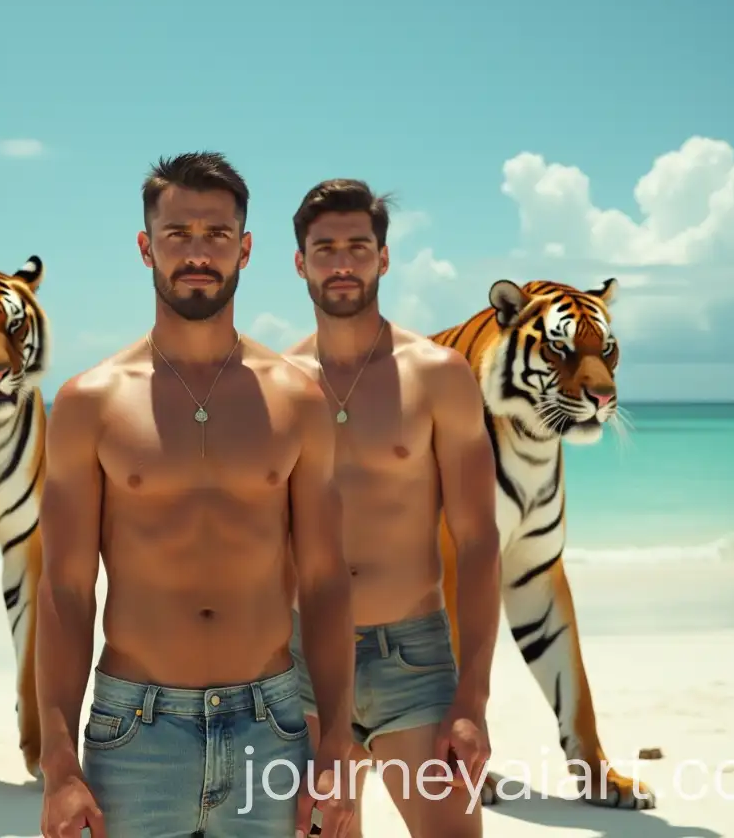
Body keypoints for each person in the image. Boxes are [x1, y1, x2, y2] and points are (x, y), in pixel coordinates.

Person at [35, 152, 359, 838]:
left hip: (270, 724)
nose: (197, 253)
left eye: (216, 235)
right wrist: (59, 765)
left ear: (244, 249)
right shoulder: (88, 403)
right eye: (178, 234)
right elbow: (65, 591)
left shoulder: (298, 398)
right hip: (134, 731)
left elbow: (327, 582)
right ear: (146, 247)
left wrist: (337, 746)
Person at [282, 179, 501, 838]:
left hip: (413, 654)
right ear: (300, 263)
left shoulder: (437, 375)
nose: (342, 263)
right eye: (325, 249)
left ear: (383, 257)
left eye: (358, 247)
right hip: (301, 657)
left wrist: (474, 697)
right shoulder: (276, 383)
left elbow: (479, 540)